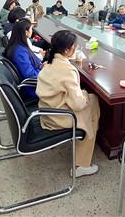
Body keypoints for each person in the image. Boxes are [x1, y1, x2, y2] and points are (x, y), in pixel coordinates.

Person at [36, 30, 100, 177]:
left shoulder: (49, 62)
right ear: (67, 50)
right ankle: (81, 165)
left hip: (46, 111)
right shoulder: (68, 70)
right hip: (59, 117)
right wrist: (84, 95)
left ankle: (87, 145)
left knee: (91, 100)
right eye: (75, 47)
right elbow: (78, 105)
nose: (76, 49)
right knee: (92, 104)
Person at [4, 19, 42, 98]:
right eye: (31, 29)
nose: (32, 31)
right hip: (34, 87)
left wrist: (42, 66)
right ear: (26, 32)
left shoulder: (18, 45)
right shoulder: (20, 51)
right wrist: (46, 73)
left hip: (37, 78)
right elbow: (30, 74)